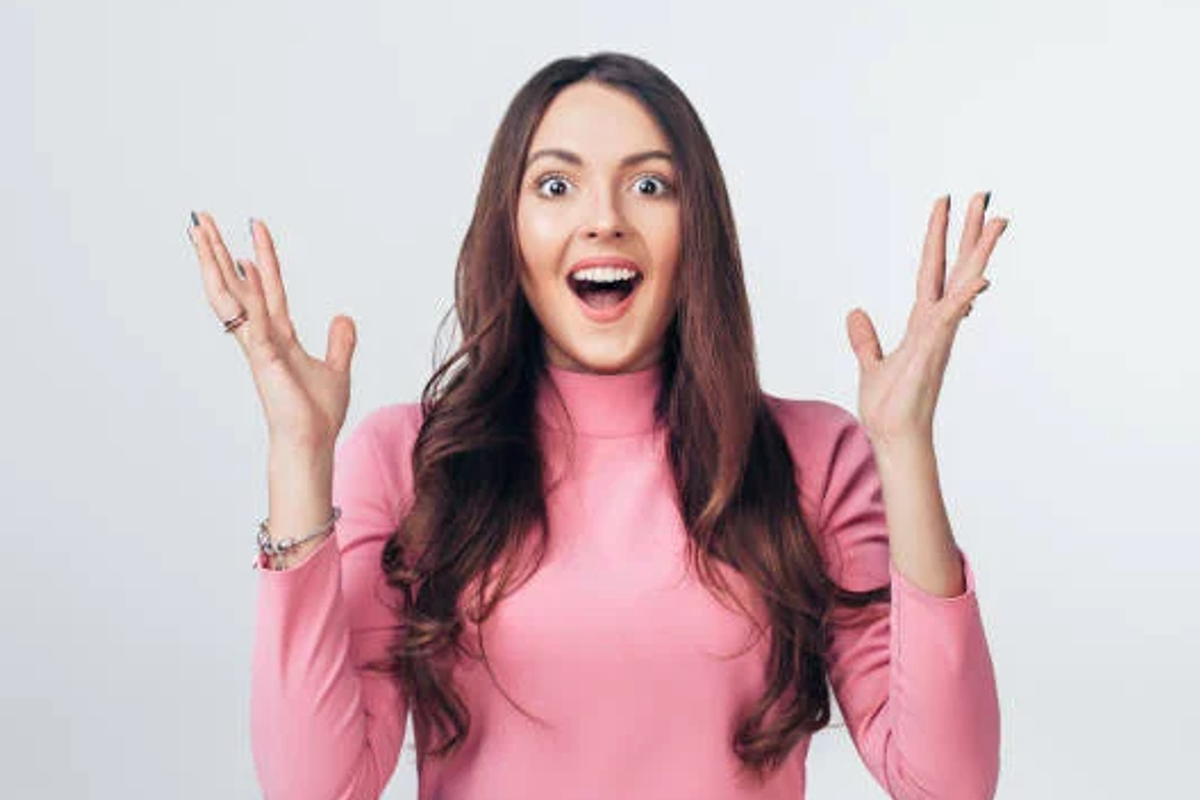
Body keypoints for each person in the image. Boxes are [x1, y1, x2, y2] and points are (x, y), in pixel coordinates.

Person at [188, 51, 1006, 800]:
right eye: (555, 185)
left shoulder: (812, 458)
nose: (604, 219)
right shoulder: (410, 461)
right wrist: (298, 457)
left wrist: (904, 452)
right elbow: (316, 791)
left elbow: (948, 784)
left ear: (699, 233)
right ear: (510, 233)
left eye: (650, 185)